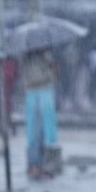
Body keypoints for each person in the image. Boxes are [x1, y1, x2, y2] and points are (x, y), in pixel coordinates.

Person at [21, 47, 60, 180]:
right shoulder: (32, 58)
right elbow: (37, 77)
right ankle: (35, 166)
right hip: (37, 94)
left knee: (44, 131)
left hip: (42, 93)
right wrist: (50, 71)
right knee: (36, 132)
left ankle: (41, 165)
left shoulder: (43, 56)